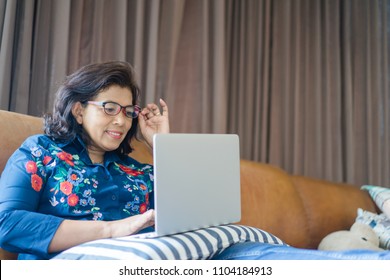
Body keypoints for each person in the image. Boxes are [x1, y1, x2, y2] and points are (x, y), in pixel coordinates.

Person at [0, 61, 169, 259]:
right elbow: (8, 224)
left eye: (128, 111)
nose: (122, 121)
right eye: (110, 108)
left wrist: (162, 144)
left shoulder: (140, 172)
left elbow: (184, 218)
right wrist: (111, 230)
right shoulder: (41, 151)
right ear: (79, 111)